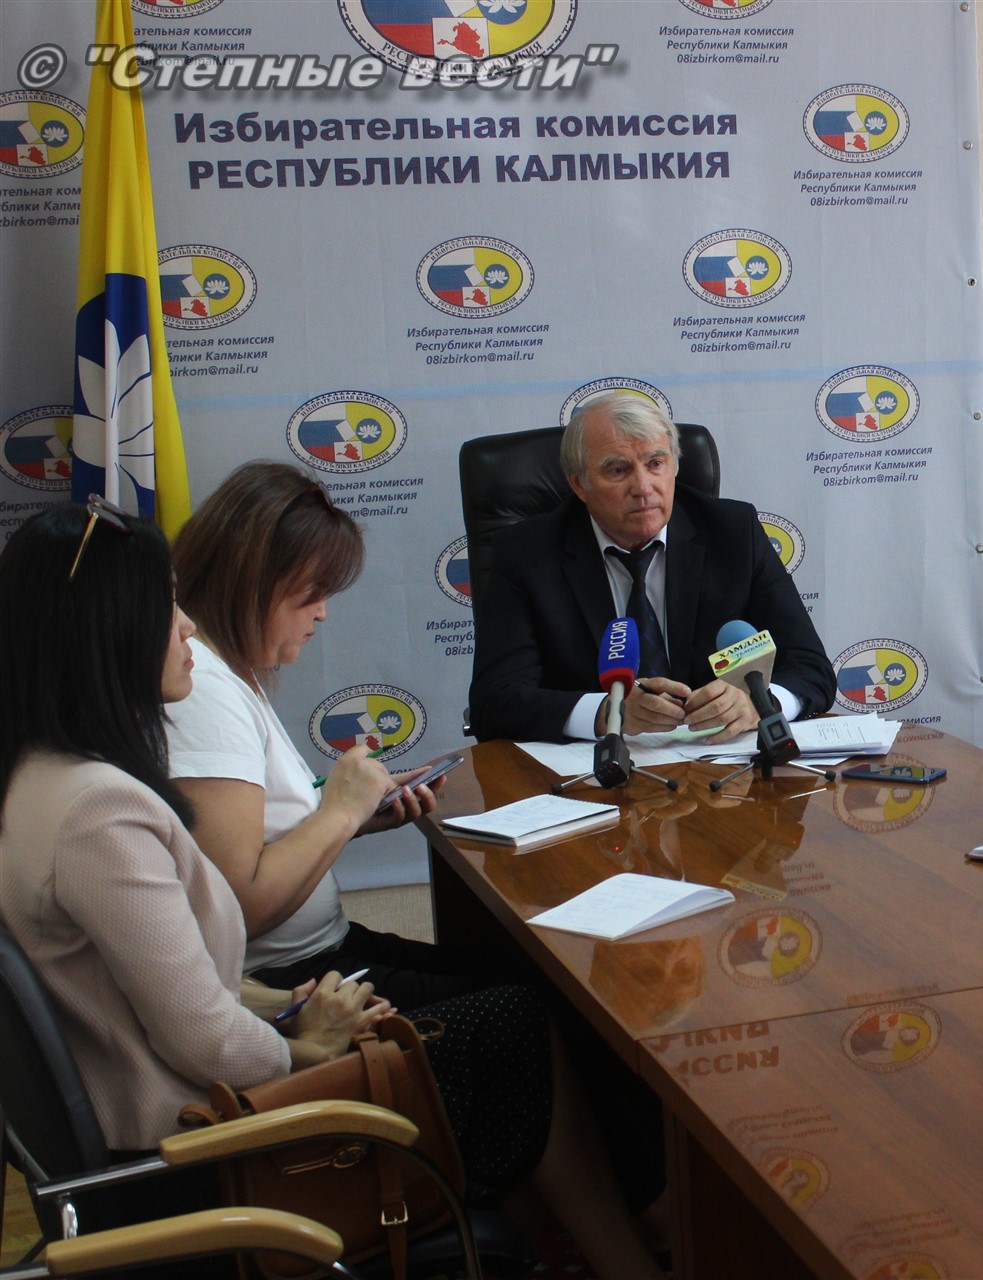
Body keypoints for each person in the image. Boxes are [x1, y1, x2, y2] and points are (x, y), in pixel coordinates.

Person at [0, 501, 658, 1277]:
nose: (185, 627)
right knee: (516, 1028)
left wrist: (285, 1005)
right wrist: (303, 1045)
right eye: (164, 606)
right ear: (107, 630)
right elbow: (203, 1037)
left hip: (186, 1118)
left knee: (507, 1021)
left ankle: (552, 1249)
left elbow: (154, 983)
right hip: (208, 1153)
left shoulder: (40, 776)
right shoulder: (98, 813)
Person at [168, 462, 475, 1009]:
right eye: (311, 594)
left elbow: (264, 837)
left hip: (322, 953)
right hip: (288, 982)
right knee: (529, 1006)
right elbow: (239, 906)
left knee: (514, 973)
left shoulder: (227, 671)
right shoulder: (203, 692)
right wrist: (342, 811)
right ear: (253, 581)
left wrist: (357, 814)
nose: (323, 614)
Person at [468, 393, 835, 743]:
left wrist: (759, 703)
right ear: (579, 484)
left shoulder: (733, 533)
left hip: (716, 762)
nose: (643, 488)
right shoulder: (527, 554)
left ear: (674, 466)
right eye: (618, 469)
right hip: (594, 770)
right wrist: (609, 712)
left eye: (656, 464)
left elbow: (810, 668)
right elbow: (494, 701)